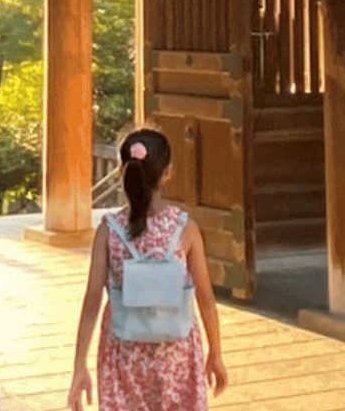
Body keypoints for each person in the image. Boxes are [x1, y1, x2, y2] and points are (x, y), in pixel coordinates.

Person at [67, 127, 229, 410]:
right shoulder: (184, 229)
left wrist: (79, 365)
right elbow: (205, 297)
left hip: (123, 351)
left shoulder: (109, 231)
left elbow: (92, 299)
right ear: (168, 173)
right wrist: (215, 353)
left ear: (122, 172)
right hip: (176, 350)